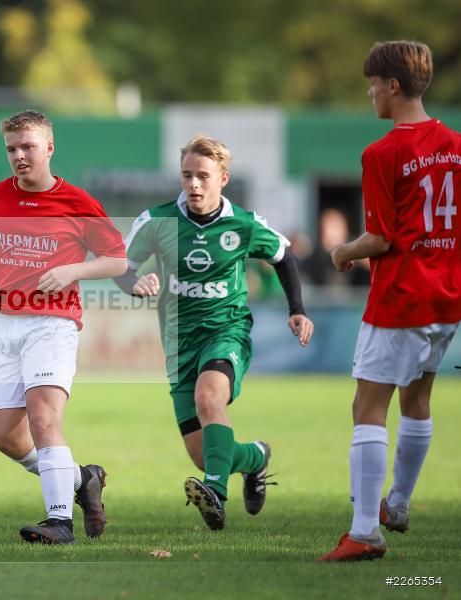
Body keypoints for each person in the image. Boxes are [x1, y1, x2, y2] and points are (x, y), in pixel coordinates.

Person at [115, 133, 314, 530]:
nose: (193, 184)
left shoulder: (242, 224)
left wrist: (297, 310)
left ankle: (215, 495)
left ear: (223, 178)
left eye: (203, 176)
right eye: (187, 175)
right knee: (206, 456)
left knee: (210, 398)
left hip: (227, 331)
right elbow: (120, 265)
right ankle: (256, 457)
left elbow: (283, 254)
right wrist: (134, 283)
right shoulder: (157, 221)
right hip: (178, 343)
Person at [318, 41, 461, 562]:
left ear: (393, 86)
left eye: (373, 83)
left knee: (368, 407)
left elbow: (381, 238)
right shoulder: (456, 144)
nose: (370, 92)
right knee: (418, 400)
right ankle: (397, 505)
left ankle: (364, 533)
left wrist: (341, 253)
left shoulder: (383, 152)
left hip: (400, 298)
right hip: (446, 300)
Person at [0, 110, 127, 544]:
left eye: (28, 147)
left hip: (52, 323)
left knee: (43, 418)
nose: (19, 156)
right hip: (3, 325)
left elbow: (117, 259)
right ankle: (82, 479)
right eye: (12, 149)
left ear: (49, 148)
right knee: (4, 436)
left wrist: (72, 270)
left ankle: (59, 521)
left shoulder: (77, 202)